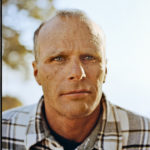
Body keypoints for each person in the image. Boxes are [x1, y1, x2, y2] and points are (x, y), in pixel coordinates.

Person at [2, 9, 150, 150]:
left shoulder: (146, 137)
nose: (77, 73)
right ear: (36, 72)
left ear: (105, 69)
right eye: (58, 58)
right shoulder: (4, 132)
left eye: (89, 57)